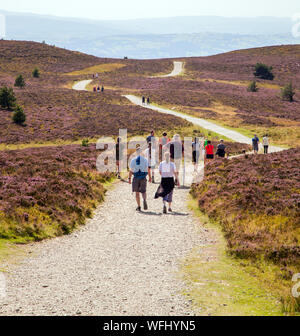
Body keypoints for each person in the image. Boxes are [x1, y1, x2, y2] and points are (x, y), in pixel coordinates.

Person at [129, 145, 151, 212]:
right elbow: (148, 169)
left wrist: (129, 178)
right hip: (143, 177)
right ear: (141, 152)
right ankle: (144, 199)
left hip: (136, 178)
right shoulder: (145, 160)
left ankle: (139, 206)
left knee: (137, 193)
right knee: (143, 191)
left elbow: (131, 170)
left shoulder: (133, 160)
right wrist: (150, 177)